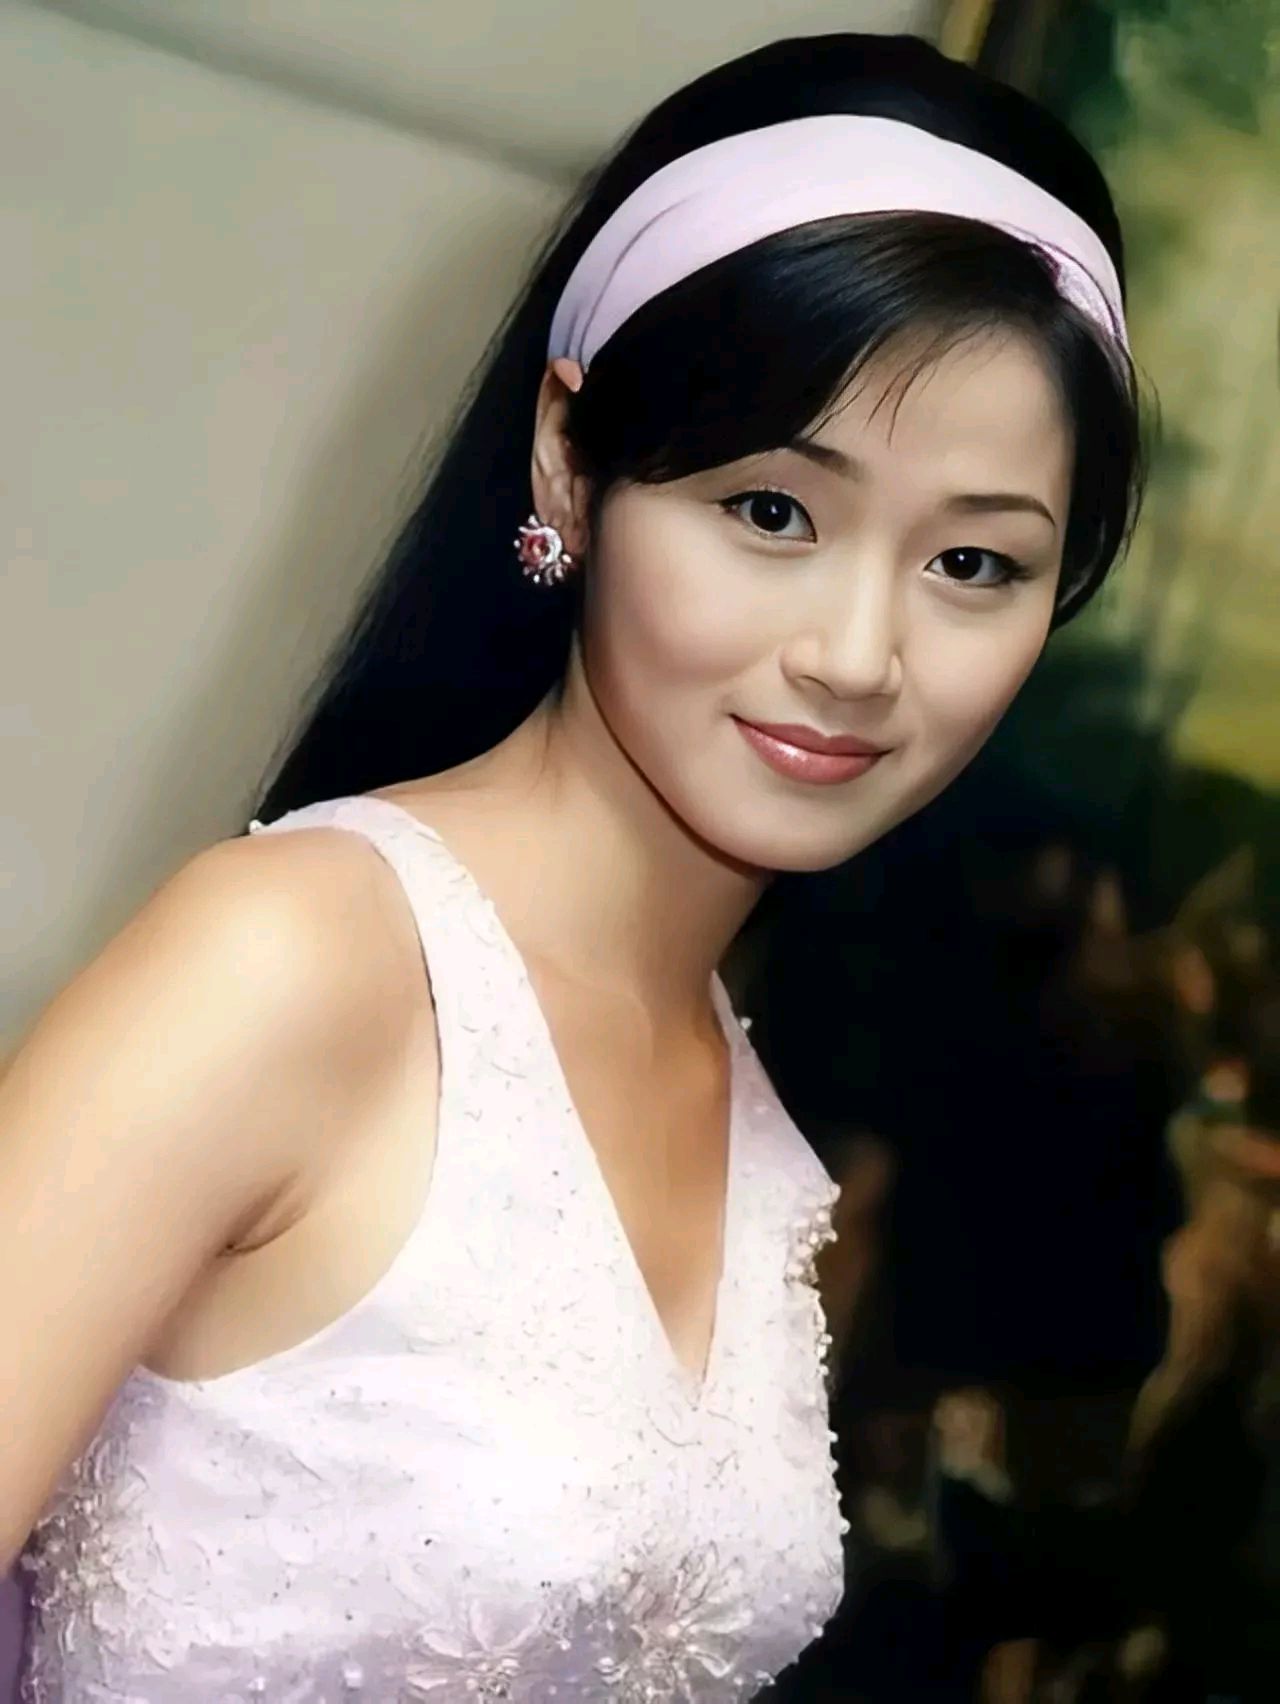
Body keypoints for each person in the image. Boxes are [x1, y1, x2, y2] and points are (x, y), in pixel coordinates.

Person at [0, 29, 1142, 1702]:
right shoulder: (295, 959)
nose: (857, 654)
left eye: (974, 562)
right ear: (568, 457)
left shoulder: (756, 1114)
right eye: (772, 512)